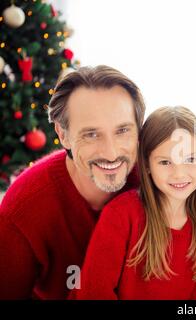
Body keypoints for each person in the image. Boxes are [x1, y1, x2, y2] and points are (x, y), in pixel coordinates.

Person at [0, 65, 145, 299]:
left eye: (122, 131)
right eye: (91, 134)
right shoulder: (23, 210)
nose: (110, 153)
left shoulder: (156, 181)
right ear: (63, 135)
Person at [72, 106, 196, 299]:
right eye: (165, 162)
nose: (179, 173)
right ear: (146, 164)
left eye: (190, 159)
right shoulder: (122, 215)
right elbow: (93, 291)